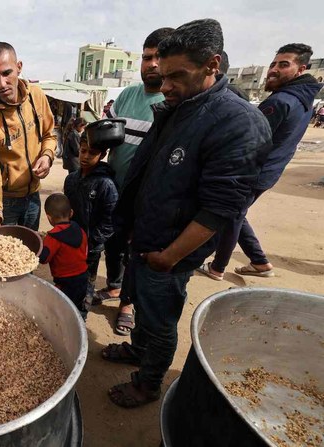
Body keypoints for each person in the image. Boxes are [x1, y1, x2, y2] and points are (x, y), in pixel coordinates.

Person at [101, 19, 272, 408]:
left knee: (160, 318)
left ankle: (148, 384)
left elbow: (220, 208)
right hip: (145, 237)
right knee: (143, 306)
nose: (166, 86)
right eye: (163, 76)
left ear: (212, 64)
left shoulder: (237, 122)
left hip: (169, 253)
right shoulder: (182, 105)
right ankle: (138, 352)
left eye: (177, 76)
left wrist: (169, 257)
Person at [197, 43, 322, 281]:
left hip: (254, 172)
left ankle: (218, 267)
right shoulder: (302, 99)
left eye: (283, 65)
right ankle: (259, 262)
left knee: (231, 216)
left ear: (301, 69)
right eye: (273, 64)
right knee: (238, 215)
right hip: (269, 171)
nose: (273, 69)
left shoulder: (280, 102)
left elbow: (248, 140)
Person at [99, 27, 174, 336]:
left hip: (145, 198)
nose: (151, 64)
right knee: (112, 246)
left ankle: (127, 305)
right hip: (114, 189)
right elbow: (110, 133)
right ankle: (115, 287)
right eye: (146, 57)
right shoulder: (128, 95)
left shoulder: (172, 100)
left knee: (136, 250)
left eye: (158, 57)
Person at [0, 42, 57, 233]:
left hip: (34, 195)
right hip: (6, 202)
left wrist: (47, 156)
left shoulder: (36, 96)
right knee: (8, 258)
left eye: (6, 73)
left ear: (19, 67)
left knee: (30, 253)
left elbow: (49, 134)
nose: (2, 83)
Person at [63, 132, 118, 305]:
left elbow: (109, 222)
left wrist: (90, 242)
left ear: (102, 155)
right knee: (68, 277)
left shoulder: (105, 184)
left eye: (92, 153)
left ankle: (82, 311)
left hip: (90, 248)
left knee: (85, 284)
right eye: (83, 150)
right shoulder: (71, 179)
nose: (86, 156)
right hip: (71, 242)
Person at [39, 193, 89, 319]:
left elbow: (43, 258)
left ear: (49, 218)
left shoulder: (53, 237)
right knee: (76, 304)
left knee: (62, 307)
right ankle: (80, 319)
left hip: (65, 282)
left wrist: (38, 245)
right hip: (83, 277)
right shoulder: (80, 230)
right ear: (71, 213)